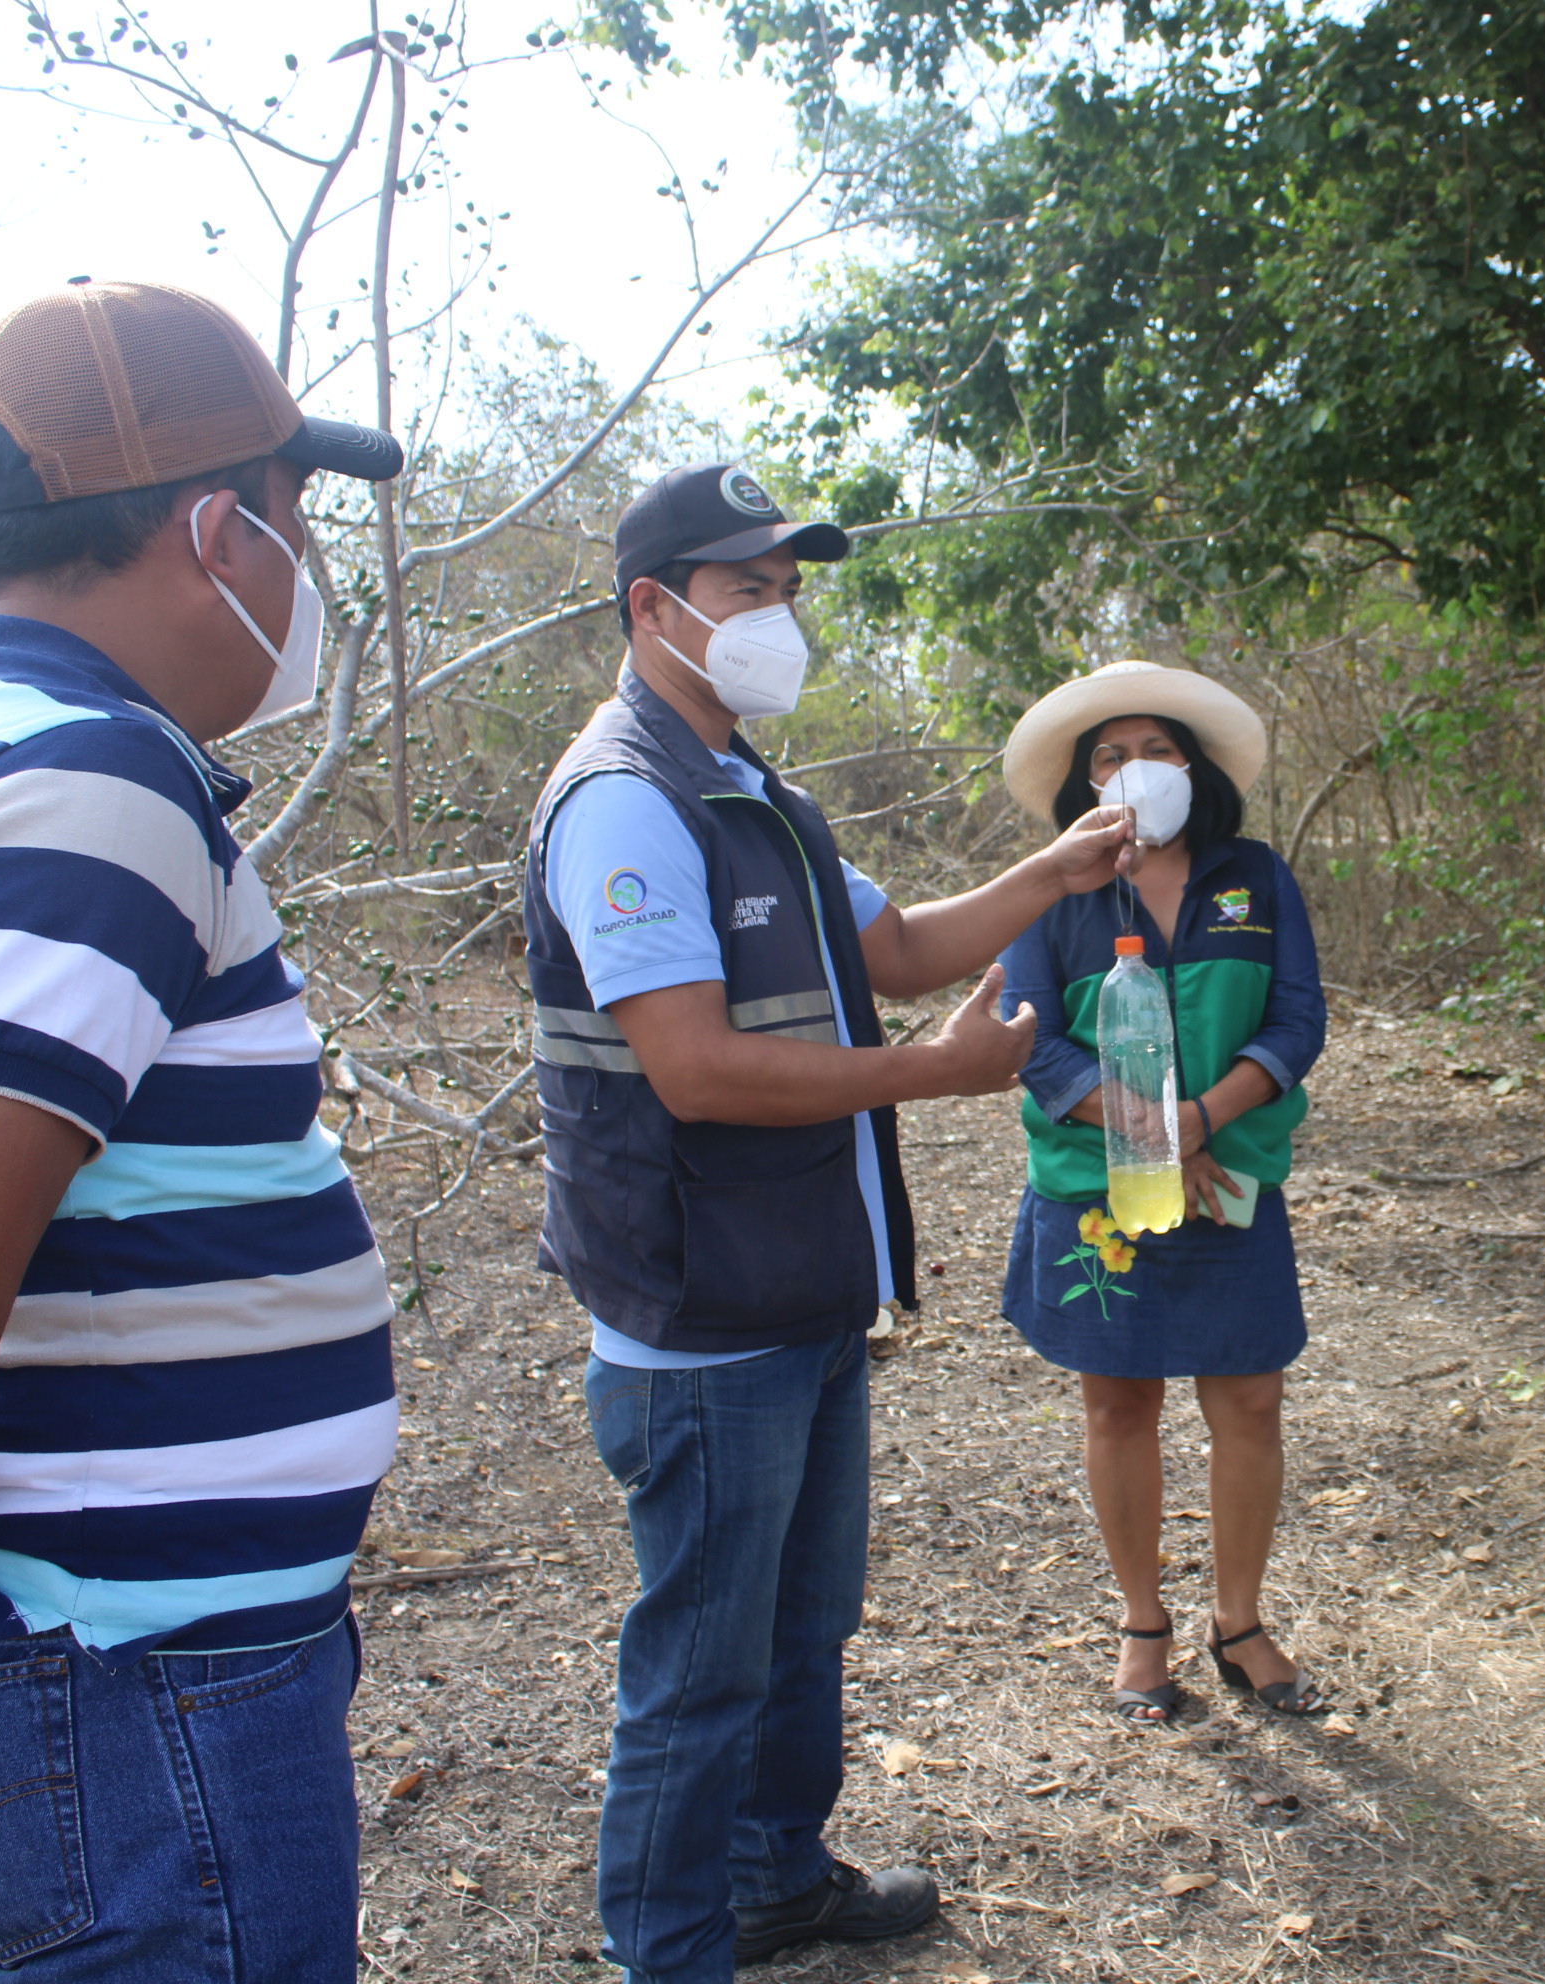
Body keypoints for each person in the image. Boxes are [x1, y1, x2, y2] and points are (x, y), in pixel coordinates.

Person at [0, 281, 404, 1976]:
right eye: (293, 522)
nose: (303, 573)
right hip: (132, 1691)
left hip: (111, 1668)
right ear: (218, 530)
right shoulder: (86, 791)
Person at [520, 462, 1139, 1984]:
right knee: (699, 1671)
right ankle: (671, 1950)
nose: (780, 620)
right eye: (750, 590)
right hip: (698, 1318)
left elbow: (903, 946)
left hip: (798, 1289)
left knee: (800, 1631)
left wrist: (1052, 870)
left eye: (789, 592)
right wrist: (937, 1076)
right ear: (654, 608)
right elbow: (695, 1067)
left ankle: (774, 1880)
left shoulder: (757, 797)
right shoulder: (627, 802)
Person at [993, 662, 1331, 1723]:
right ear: (1083, 785)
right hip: (1099, 1189)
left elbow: (1298, 1017)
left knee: (1251, 1401)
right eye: (1109, 755)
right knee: (1119, 1401)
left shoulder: (1254, 877)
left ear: (1193, 768)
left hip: (1229, 1176)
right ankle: (1144, 1625)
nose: (1134, 769)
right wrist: (1147, 1131)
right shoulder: (1050, 888)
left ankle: (1240, 1620)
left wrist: (1200, 1120)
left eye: (1155, 749)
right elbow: (1030, 1039)